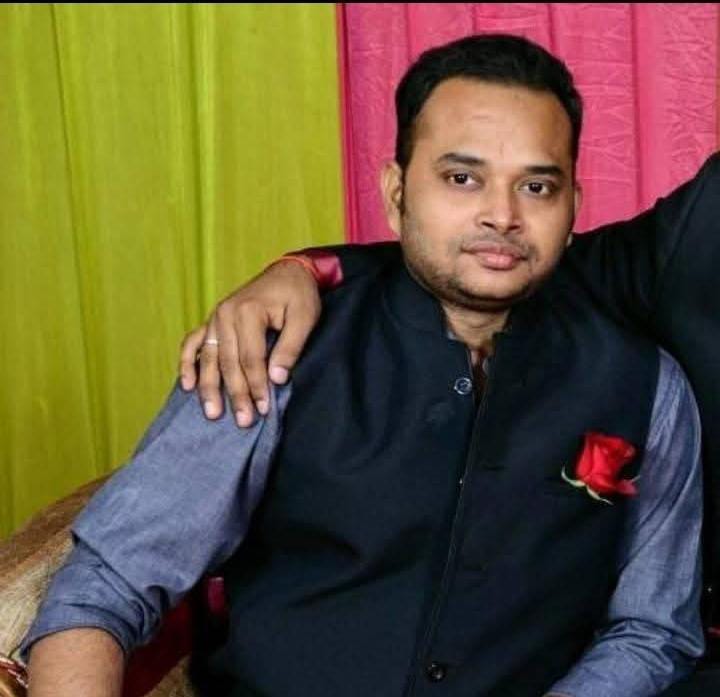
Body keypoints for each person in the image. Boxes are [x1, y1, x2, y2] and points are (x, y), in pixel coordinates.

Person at [24, 34, 704, 697]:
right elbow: (105, 587)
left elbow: (651, 630)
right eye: (462, 178)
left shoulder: (645, 388)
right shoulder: (276, 348)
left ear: (573, 207)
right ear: (396, 191)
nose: (502, 215)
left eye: (536, 186)